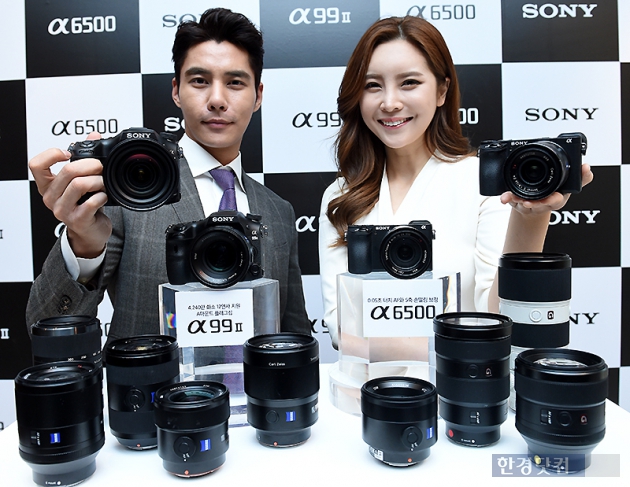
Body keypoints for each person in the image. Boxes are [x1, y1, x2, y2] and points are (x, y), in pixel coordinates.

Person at [26, 8, 311, 340]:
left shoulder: (278, 211)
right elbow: (45, 327)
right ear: (176, 90)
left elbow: (294, 336)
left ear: (258, 95)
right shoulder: (131, 189)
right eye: (200, 81)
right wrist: (83, 245)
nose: (217, 100)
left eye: (235, 82)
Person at [319, 16, 593, 349]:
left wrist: (531, 215)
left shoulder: (480, 184)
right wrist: (454, 342)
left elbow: (499, 316)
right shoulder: (341, 196)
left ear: (442, 90)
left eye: (409, 83)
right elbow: (341, 328)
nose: (389, 102)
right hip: (379, 383)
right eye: (373, 85)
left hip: (462, 379)